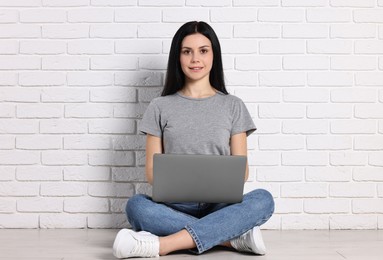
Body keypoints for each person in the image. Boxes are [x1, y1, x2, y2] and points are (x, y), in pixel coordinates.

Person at [112, 21, 275, 258]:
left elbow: (242, 171)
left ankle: (162, 245)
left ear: (213, 56)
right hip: (173, 206)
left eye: (203, 50)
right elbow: (151, 173)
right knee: (136, 206)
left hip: (221, 207)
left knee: (263, 200)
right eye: (187, 51)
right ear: (177, 57)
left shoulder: (233, 106)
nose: (195, 59)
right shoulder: (160, 106)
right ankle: (230, 239)